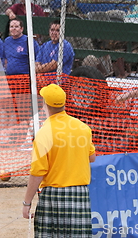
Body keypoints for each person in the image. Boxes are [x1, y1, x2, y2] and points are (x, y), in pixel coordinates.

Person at [22, 84, 96, 237]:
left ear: (44, 104)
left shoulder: (43, 133)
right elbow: (92, 157)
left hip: (53, 195)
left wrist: (27, 203)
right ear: (63, 104)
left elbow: (37, 173)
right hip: (79, 193)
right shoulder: (83, 128)